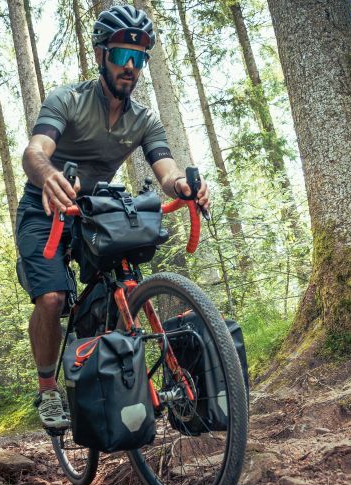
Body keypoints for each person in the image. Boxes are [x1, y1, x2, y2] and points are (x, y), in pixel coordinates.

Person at [16, 5, 210, 430]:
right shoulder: (68, 100)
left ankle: (106, 377)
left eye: (139, 58)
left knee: (119, 285)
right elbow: (35, 151)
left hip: (93, 210)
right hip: (44, 204)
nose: (131, 67)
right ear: (101, 54)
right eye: (122, 55)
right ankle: (48, 390)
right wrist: (48, 176)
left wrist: (183, 186)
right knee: (51, 298)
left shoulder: (144, 120)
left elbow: (166, 171)